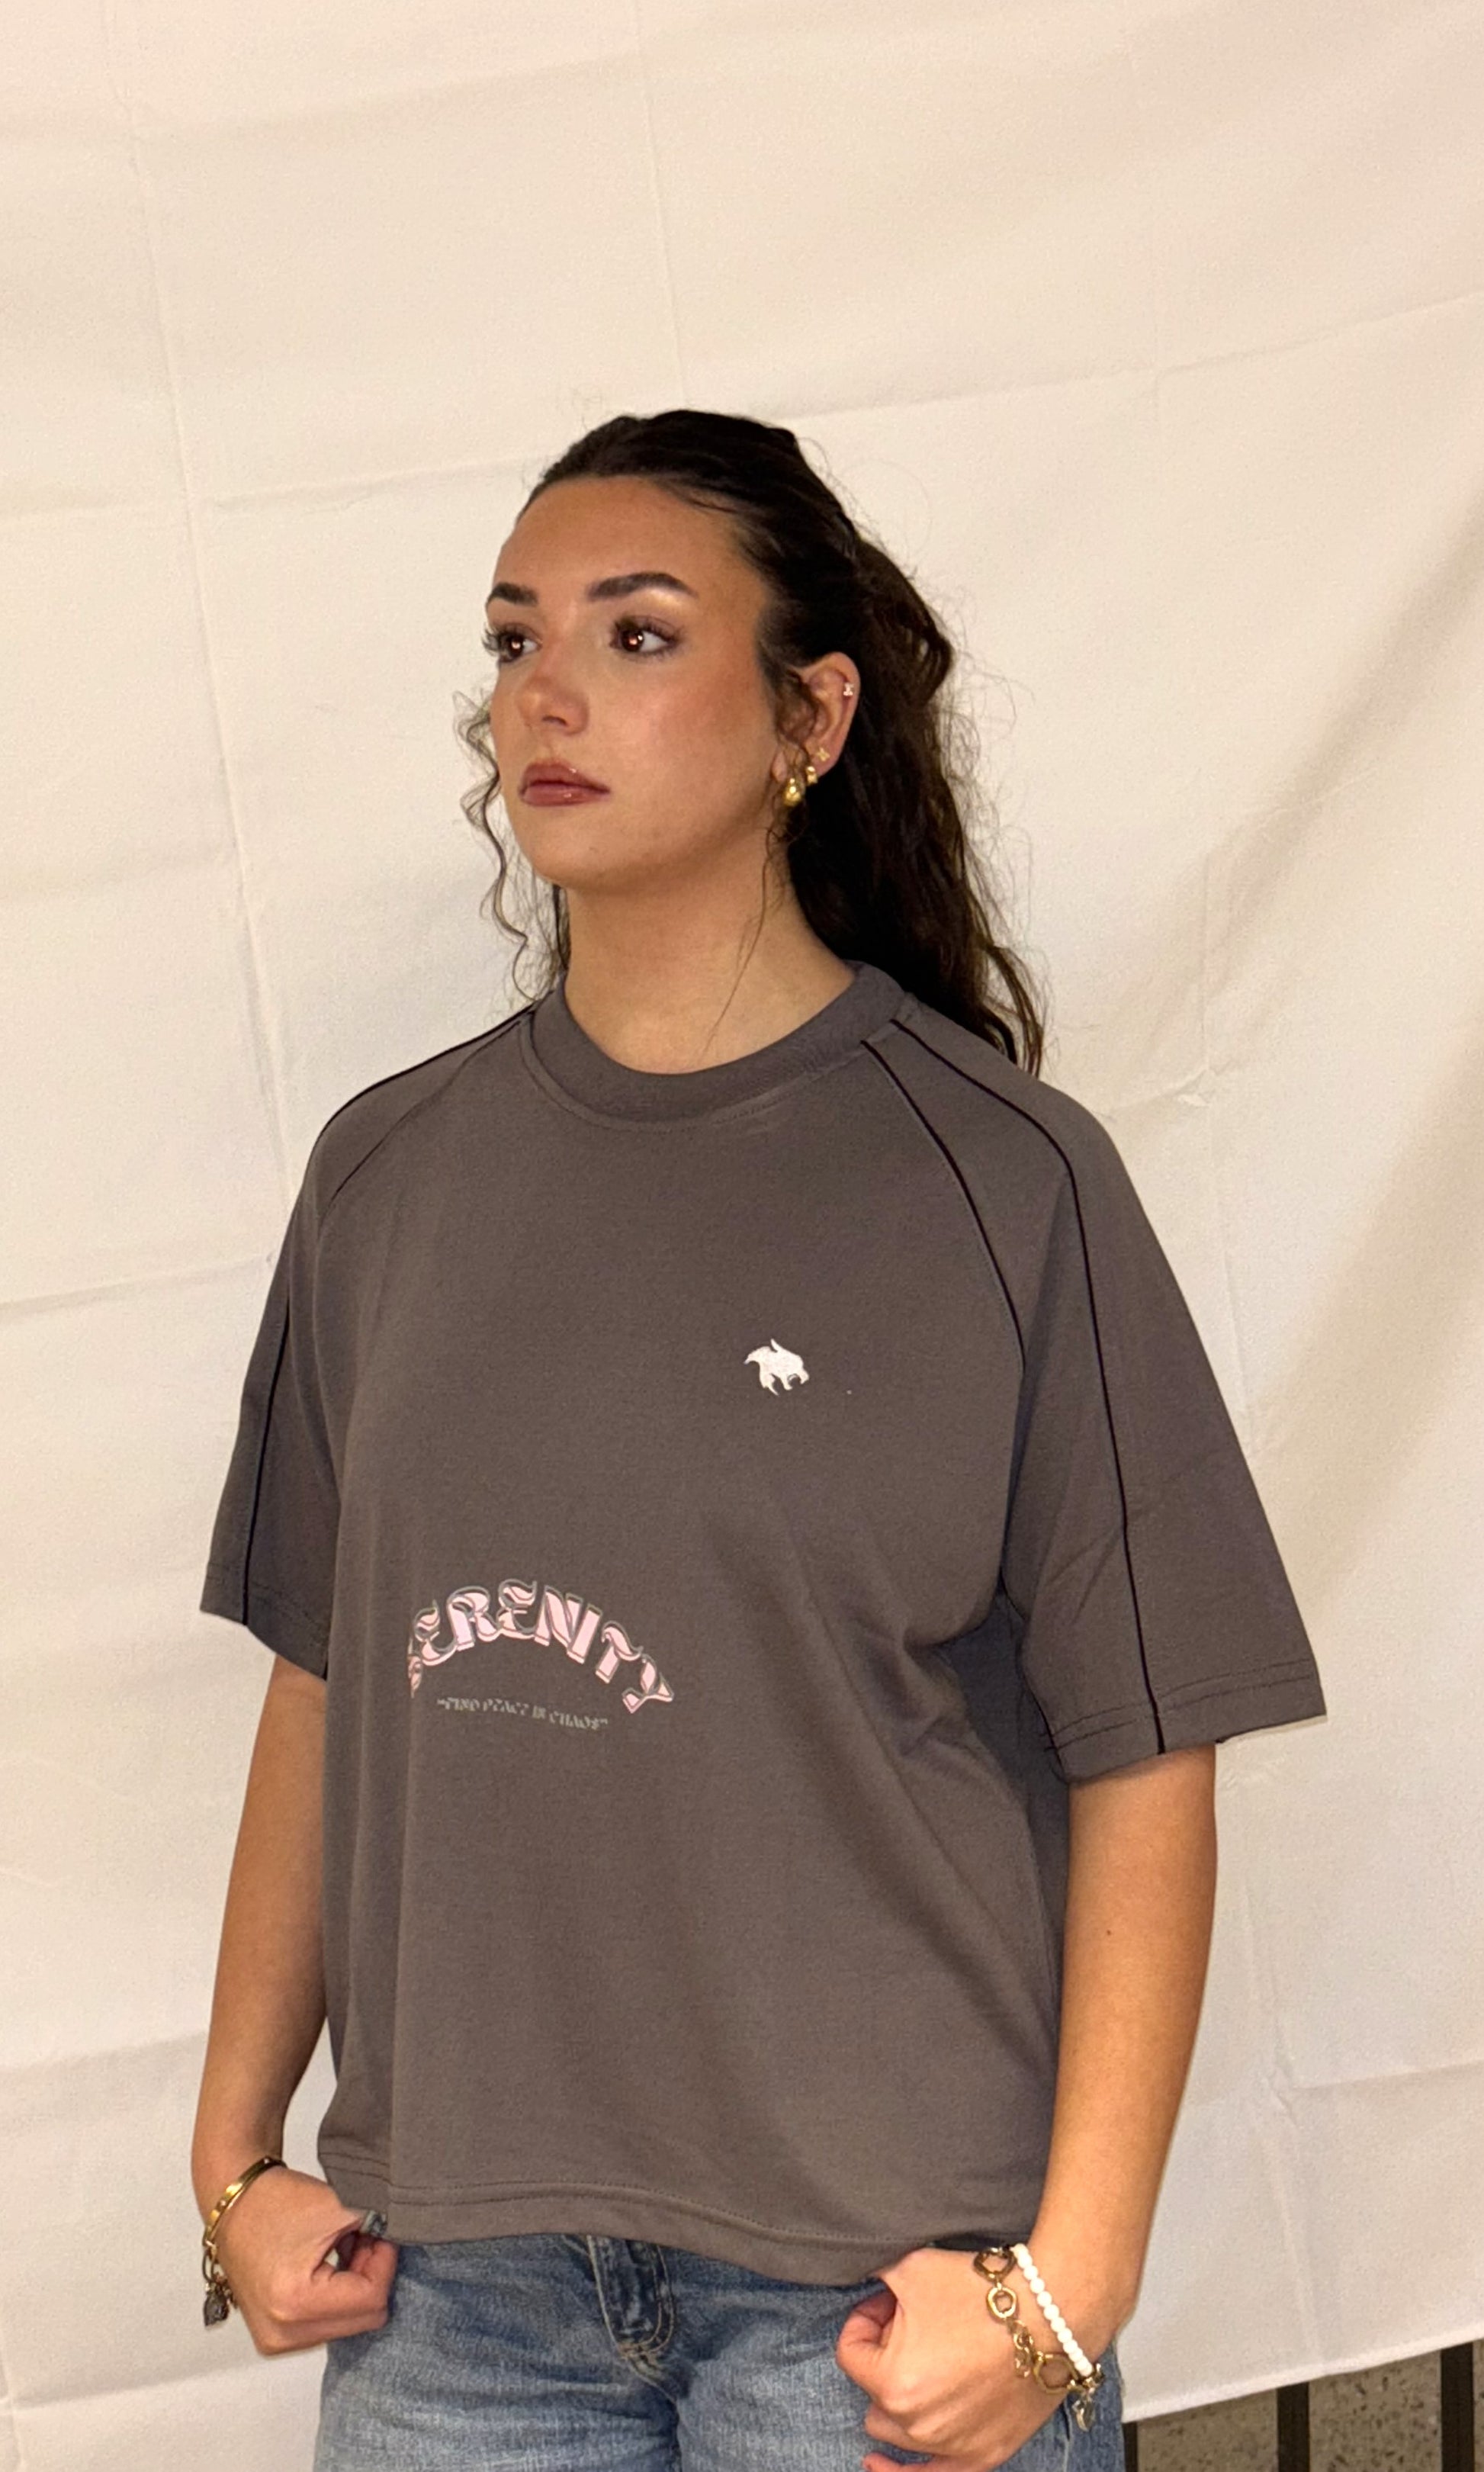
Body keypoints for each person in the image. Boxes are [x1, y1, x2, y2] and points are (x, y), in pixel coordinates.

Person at [191, 407, 1326, 2472]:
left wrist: (1066, 2290)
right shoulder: (388, 1177)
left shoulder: (1005, 1181)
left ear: (812, 716)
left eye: (635, 634)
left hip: (881, 2303)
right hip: (453, 2298)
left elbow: (1148, 1743)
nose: (546, 691)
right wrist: (230, 2160)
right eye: (517, 637)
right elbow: (326, 1677)